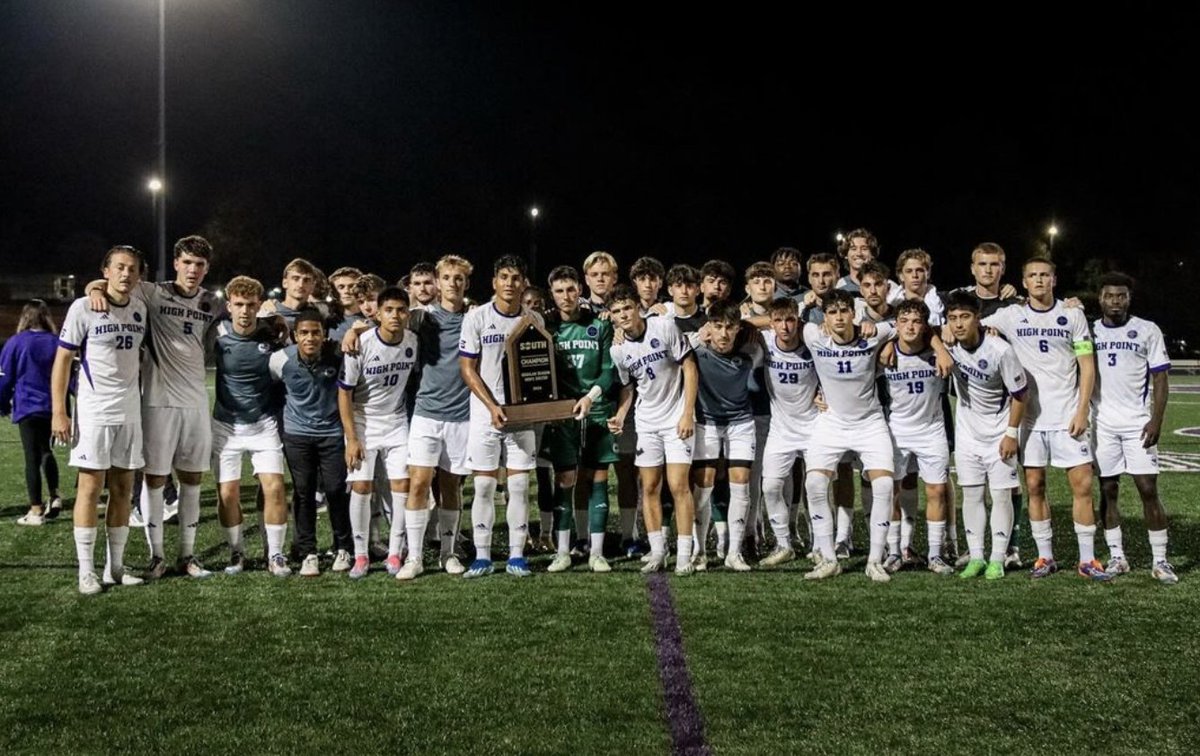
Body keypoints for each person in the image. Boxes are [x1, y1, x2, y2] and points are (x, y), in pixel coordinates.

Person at [85, 234, 221, 579]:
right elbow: (112, 281)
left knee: (192, 480)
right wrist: (95, 289)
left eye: (200, 265)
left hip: (195, 402)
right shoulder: (152, 292)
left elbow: (244, 306)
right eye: (187, 262)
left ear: (206, 269)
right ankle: (156, 556)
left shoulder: (211, 302)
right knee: (155, 480)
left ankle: (188, 556)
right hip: (158, 402)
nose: (193, 270)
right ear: (176, 263)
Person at [982, 257, 1110, 581]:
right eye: (1032, 276)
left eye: (1044, 275)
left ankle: (1087, 559)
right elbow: (968, 324)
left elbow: (1087, 366)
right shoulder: (1012, 315)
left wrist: (1082, 410)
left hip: (1068, 416)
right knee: (1035, 486)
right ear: (1023, 282)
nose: (1038, 280)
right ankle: (1045, 557)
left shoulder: (1072, 314)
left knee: (1082, 485)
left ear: (1054, 279)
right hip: (1030, 421)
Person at [51, 246, 148, 594]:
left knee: (123, 490)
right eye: (119, 267)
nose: (126, 274)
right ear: (106, 270)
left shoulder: (140, 308)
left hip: (130, 412)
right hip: (94, 412)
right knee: (90, 489)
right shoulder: (84, 307)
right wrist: (59, 411)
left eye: (132, 269)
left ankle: (115, 568)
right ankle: (86, 571)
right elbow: (63, 360)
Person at [802, 289, 896, 582]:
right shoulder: (812, 334)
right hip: (831, 422)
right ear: (825, 317)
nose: (839, 317)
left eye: (844, 311)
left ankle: (875, 561)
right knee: (815, 483)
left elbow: (909, 323)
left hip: (869, 422)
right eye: (832, 312)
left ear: (854, 313)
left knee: (883, 485)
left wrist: (889, 341)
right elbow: (777, 319)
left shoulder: (872, 333)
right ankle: (829, 559)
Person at [458, 255, 542, 578]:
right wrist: (492, 406)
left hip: (520, 416)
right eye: (503, 277)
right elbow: (467, 368)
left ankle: (517, 556)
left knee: (519, 486)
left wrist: (533, 407)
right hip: (484, 414)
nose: (510, 283)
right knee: (483, 486)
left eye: (516, 277)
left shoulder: (535, 319)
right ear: (494, 282)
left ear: (524, 283)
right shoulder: (476, 318)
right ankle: (482, 555)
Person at [608, 284, 700, 576]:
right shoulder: (618, 350)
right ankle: (658, 551)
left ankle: (684, 555)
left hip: (676, 419)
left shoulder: (663, 326)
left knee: (678, 485)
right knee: (648, 487)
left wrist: (687, 413)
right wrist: (622, 415)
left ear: (638, 307)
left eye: (627, 308)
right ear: (611, 317)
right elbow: (628, 388)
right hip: (646, 422)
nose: (623, 315)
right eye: (617, 311)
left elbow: (689, 366)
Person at [1092, 272, 1177, 584]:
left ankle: (1161, 560)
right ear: (1099, 297)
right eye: (1110, 295)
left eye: (1121, 296)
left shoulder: (1147, 330)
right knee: (1108, 489)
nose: (1115, 301)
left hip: (1137, 423)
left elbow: (1160, 377)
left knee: (1147, 488)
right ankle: (1117, 557)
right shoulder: (1088, 330)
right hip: (1101, 424)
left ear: (1129, 298)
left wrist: (1156, 419)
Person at [392, 254, 474, 578]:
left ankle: (448, 553)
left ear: (466, 283)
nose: (453, 284)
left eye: (459, 278)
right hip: (426, 412)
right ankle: (414, 557)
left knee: (452, 486)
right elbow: (384, 322)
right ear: (437, 282)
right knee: (419, 484)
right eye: (447, 278)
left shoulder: (475, 318)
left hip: (461, 415)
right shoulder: (420, 318)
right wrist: (357, 330)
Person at [210, 276, 291, 576]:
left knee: (275, 488)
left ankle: (277, 555)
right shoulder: (217, 332)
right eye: (239, 305)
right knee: (227, 494)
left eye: (251, 305)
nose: (245, 311)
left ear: (259, 306)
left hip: (263, 424)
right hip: (225, 427)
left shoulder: (272, 335)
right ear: (229, 305)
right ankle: (236, 553)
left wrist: (280, 321)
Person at [541, 265, 619, 573]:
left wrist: (590, 397)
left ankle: (596, 552)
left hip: (596, 409)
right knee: (565, 480)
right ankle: (562, 551)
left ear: (580, 291)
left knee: (598, 480)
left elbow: (608, 370)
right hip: (563, 414)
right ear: (552, 294)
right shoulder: (547, 327)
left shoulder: (599, 325)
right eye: (559, 291)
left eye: (571, 289)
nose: (566, 296)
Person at [944, 291, 1027, 579]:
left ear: (978, 319)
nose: (958, 324)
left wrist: (1011, 434)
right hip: (968, 434)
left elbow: (1020, 394)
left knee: (1001, 496)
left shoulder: (1000, 350)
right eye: (952, 318)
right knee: (972, 495)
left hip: (999, 434)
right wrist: (939, 342)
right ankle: (976, 556)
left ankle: (997, 557)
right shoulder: (949, 345)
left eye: (964, 317)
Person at [338, 287, 419, 579]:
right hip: (363, 422)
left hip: (396, 421)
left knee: (402, 486)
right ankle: (361, 556)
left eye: (400, 310)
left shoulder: (413, 340)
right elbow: (344, 394)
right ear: (379, 313)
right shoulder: (360, 344)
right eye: (389, 310)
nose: (395, 315)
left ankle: (395, 552)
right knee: (361, 487)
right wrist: (352, 438)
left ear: (407, 313)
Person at [270, 308, 353, 577]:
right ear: (295, 336)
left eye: (315, 332)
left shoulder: (338, 355)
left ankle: (343, 547)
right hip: (297, 435)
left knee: (336, 490)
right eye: (303, 333)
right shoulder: (280, 359)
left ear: (324, 334)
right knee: (304, 492)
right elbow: (272, 388)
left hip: (331, 434)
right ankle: (308, 552)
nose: (310, 338)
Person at [688, 300, 762, 572]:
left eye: (729, 327)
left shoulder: (751, 348)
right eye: (717, 326)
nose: (723, 334)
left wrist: (753, 324)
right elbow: (668, 351)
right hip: (706, 422)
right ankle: (700, 550)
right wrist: (698, 336)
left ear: (737, 328)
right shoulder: (696, 349)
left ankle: (734, 552)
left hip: (741, 422)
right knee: (704, 484)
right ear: (709, 326)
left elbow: (781, 325)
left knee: (741, 483)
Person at [881, 300, 949, 573]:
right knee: (892, 492)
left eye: (916, 321)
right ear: (895, 325)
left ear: (925, 326)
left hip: (932, 429)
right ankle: (895, 552)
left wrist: (941, 347)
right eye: (904, 321)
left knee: (937, 491)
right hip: (897, 429)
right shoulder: (884, 353)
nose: (910, 326)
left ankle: (935, 554)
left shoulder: (940, 351)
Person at [758, 298, 818, 566]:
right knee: (770, 486)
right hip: (781, 429)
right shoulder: (764, 341)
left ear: (798, 321)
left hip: (814, 425)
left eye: (790, 320)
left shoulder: (812, 341)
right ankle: (784, 544)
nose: (785, 326)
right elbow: (741, 323)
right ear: (771, 324)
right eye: (779, 321)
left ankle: (820, 545)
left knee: (816, 487)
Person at [1, 299, 63, 525]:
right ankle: (55, 495)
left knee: (31, 457)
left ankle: (36, 510)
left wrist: (2, 404)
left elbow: (4, 377)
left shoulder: (16, 342)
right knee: (46, 450)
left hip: (27, 406)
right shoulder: (56, 342)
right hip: (52, 407)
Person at [835, 229, 879, 294]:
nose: (859, 253)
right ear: (845, 254)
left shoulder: (885, 285)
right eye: (853, 249)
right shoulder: (838, 287)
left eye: (864, 249)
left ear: (872, 254)